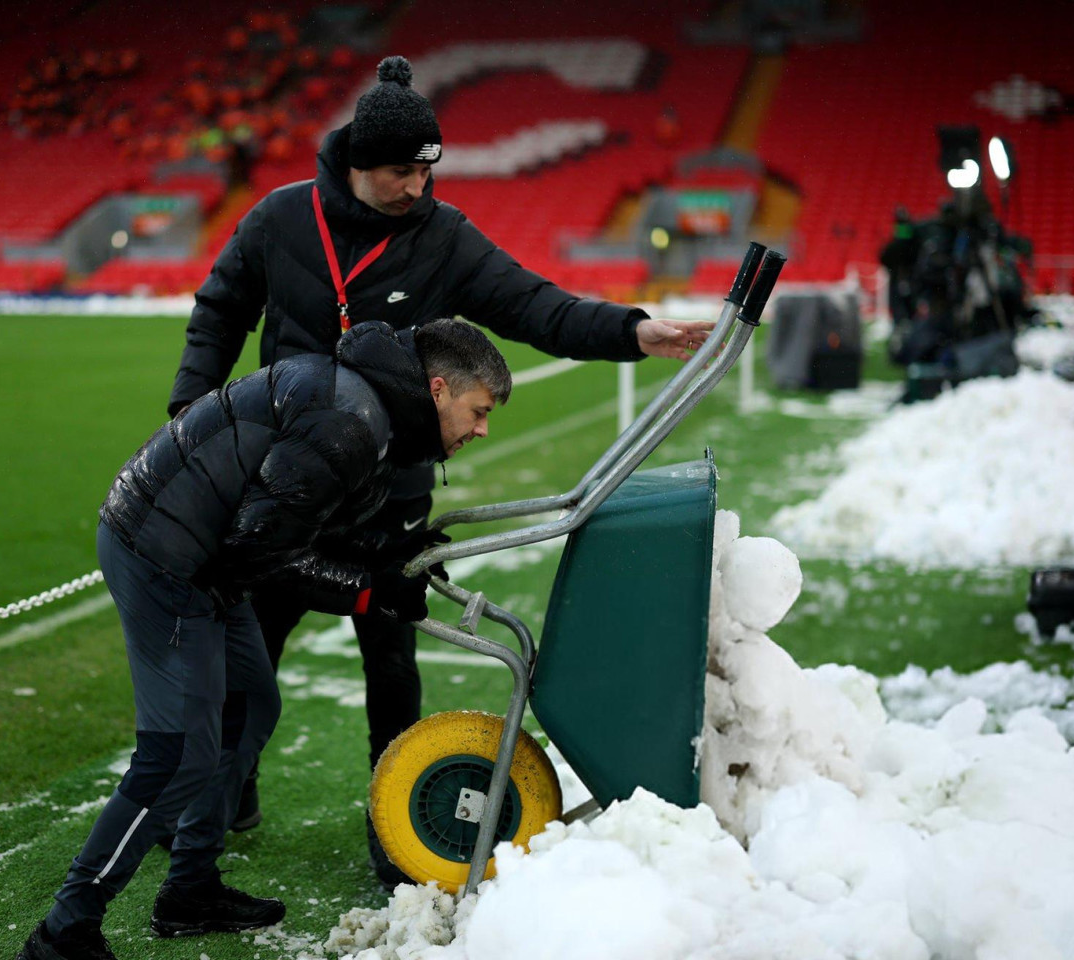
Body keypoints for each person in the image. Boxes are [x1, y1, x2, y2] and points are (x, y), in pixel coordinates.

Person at [166, 54, 715, 886]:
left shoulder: (445, 237)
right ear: (355, 161)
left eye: (428, 171)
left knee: (391, 668)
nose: (416, 187)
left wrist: (632, 330)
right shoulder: (279, 221)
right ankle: (221, 797)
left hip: (389, 497)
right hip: (282, 487)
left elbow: (538, 307)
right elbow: (219, 312)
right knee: (250, 663)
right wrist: (190, 418)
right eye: (399, 173)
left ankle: (398, 830)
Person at [16, 319, 512, 960]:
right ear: (439, 389)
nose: (482, 429)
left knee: (250, 707)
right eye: (478, 411)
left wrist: (387, 553)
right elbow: (266, 552)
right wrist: (371, 590)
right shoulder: (350, 419)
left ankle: (189, 888)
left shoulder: (371, 408)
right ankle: (65, 930)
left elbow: (298, 517)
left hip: (211, 556)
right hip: (164, 553)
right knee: (175, 756)